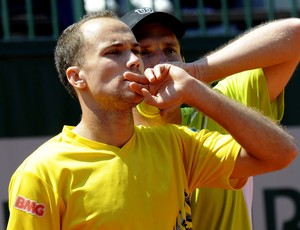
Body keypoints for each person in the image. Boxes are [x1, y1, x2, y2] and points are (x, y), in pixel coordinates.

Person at [7, 11, 297, 230]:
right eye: (138, 52)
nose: (153, 61)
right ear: (77, 76)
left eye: (170, 50)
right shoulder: (42, 170)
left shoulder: (182, 138)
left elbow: (283, 152)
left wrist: (195, 76)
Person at [121, 7, 300, 229]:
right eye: (145, 53)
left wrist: (196, 73)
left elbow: (295, 34)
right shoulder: (114, 141)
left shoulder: (222, 104)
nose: (162, 62)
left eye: (170, 50)